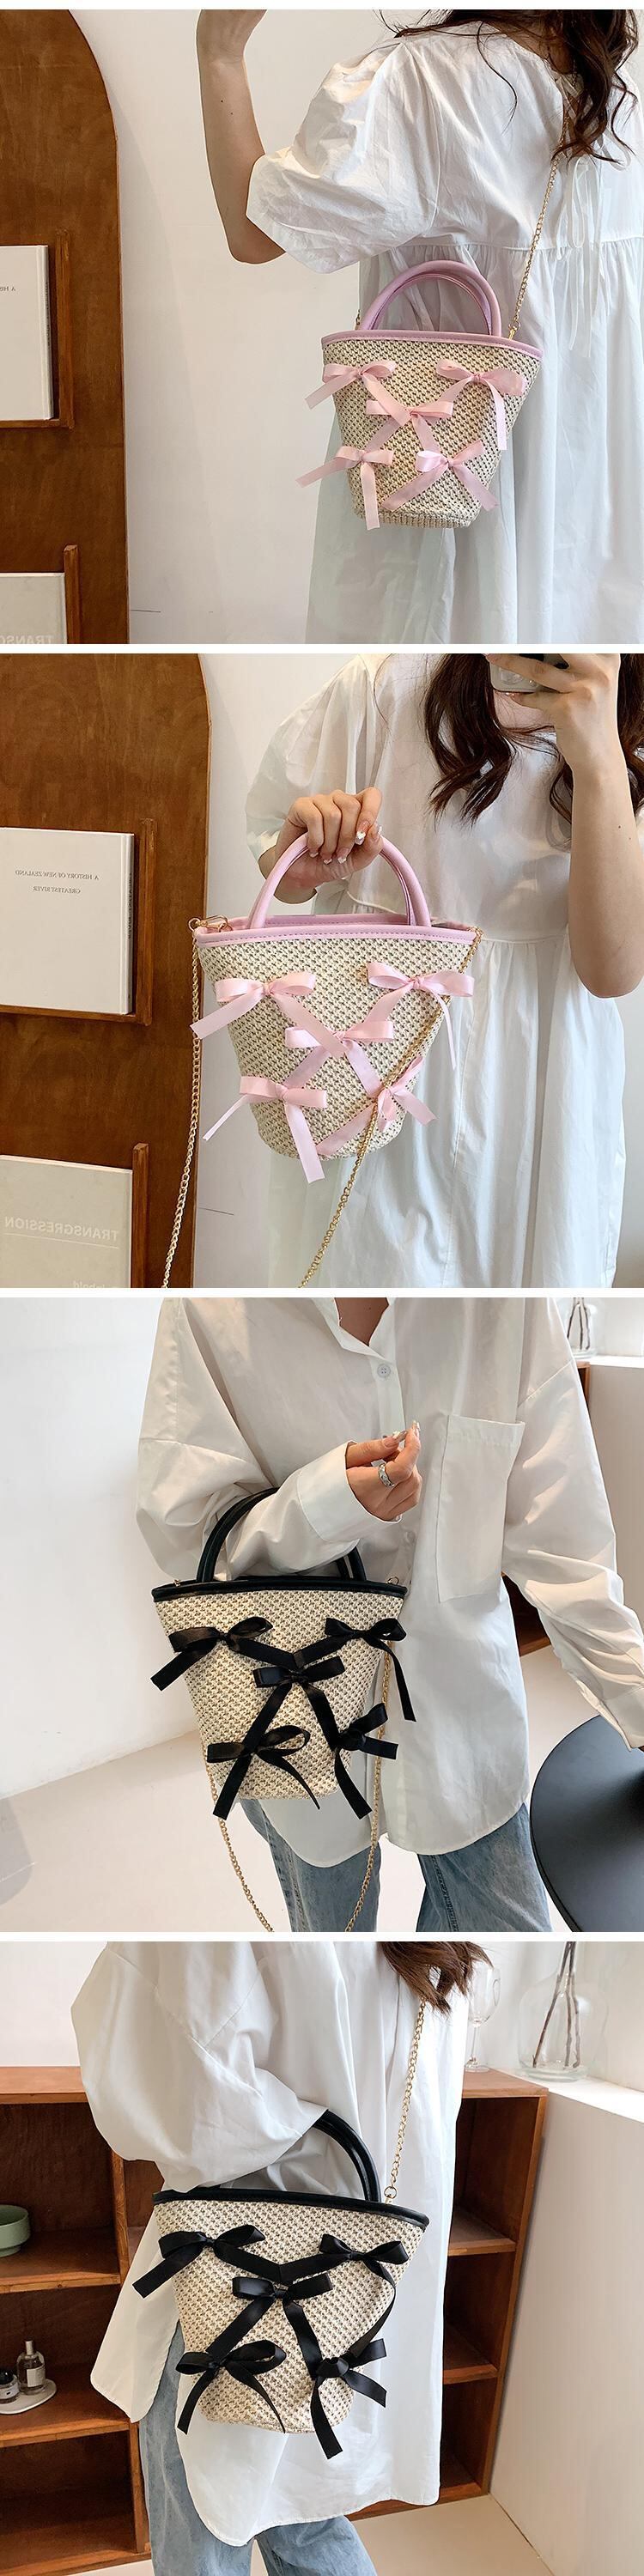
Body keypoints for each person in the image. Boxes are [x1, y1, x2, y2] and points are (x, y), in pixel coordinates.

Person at [137, 1295, 644, 1934]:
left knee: (510, 1938)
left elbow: (567, 1552)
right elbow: (187, 1533)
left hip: (467, 1721)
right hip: (294, 1727)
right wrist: (325, 1505)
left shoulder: (507, 1304)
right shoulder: (214, 1310)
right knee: (331, 1947)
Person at [196, 10, 644, 645]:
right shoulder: (615, 88)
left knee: (441, 628)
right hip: (595, 487)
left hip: (440, 466)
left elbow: (252, 233)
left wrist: (219, 52)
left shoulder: (418, 82)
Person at [241, 651, 644, 1289]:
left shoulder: (630, 714)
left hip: (541, 1092)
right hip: (377, 1063)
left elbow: (612, 971)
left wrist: (599, 757)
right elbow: (276, 846)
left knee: (512, 1325)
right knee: (357, 1311)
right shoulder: (387, 686)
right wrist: (307, 855)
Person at [71, 1937, 475, 2566]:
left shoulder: (254, 1936)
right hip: (347, 2309)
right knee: (303, 2520)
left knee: (204, 2522)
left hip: (230, 2288)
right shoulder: (442, 1956)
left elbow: (174, 2095)